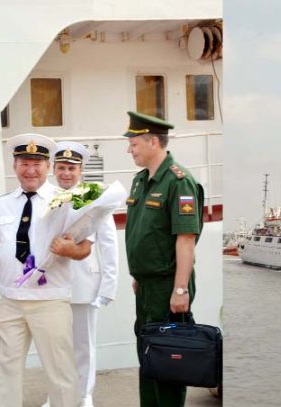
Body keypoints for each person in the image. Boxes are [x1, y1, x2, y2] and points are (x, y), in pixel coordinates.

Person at [0, 133, 88, 407]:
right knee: (8, 374)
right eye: (24, 162)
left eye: (37, 163)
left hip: (50, 301)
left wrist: (70, 250)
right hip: (10, 301)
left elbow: (84, 249)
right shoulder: (3, 204)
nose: (30, 169)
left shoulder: (67, 200)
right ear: (15, 166)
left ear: (48, 166)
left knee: (60, 374)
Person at [123, 111, 204, 406]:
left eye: (133, 143)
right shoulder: (140, 181)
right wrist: (138, 274)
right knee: (148, 358)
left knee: (169, 361)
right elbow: (144, 232)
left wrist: (180, 289)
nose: (129, 149)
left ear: (153, 141)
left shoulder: (179, 182)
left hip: (168, 287)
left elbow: (185, 239)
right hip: (146, 286)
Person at [42, 142, 119, 407]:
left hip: (84, 283)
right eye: (61, 167)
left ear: (81, 170)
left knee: (83, 346)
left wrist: (108, 287)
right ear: (53, 169)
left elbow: (109, 245)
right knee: (54, 347)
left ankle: (84, 396)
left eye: (71, 168)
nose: (66, 173)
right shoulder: (45, 198)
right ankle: (57, 396)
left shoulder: (94, 196)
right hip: (50, 285)